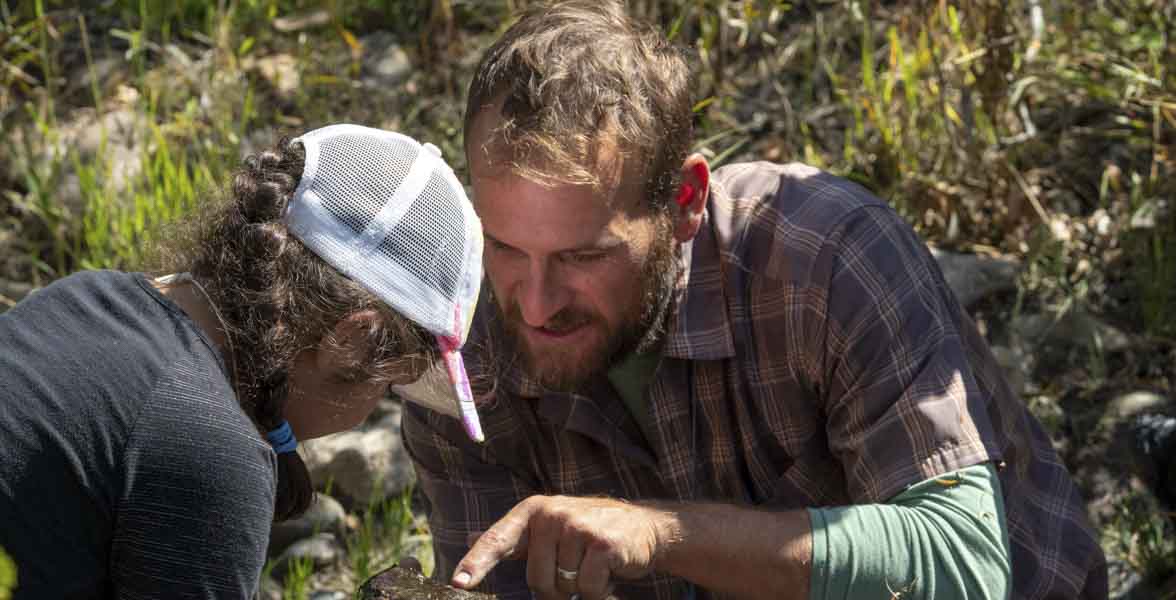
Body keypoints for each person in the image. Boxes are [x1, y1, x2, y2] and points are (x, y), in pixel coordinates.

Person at [400, 3, 1108, 600]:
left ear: (684, 201)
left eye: (584, 255)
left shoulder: (825, 258)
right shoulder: (461, 356)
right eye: (506, 248)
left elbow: (963, 563)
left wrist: (661, 534)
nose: (535, 303)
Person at [0, 124, 484, 598]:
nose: (366, 413)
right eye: (388, 387)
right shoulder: (212, 450)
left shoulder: (85, 295)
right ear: (352, 341)